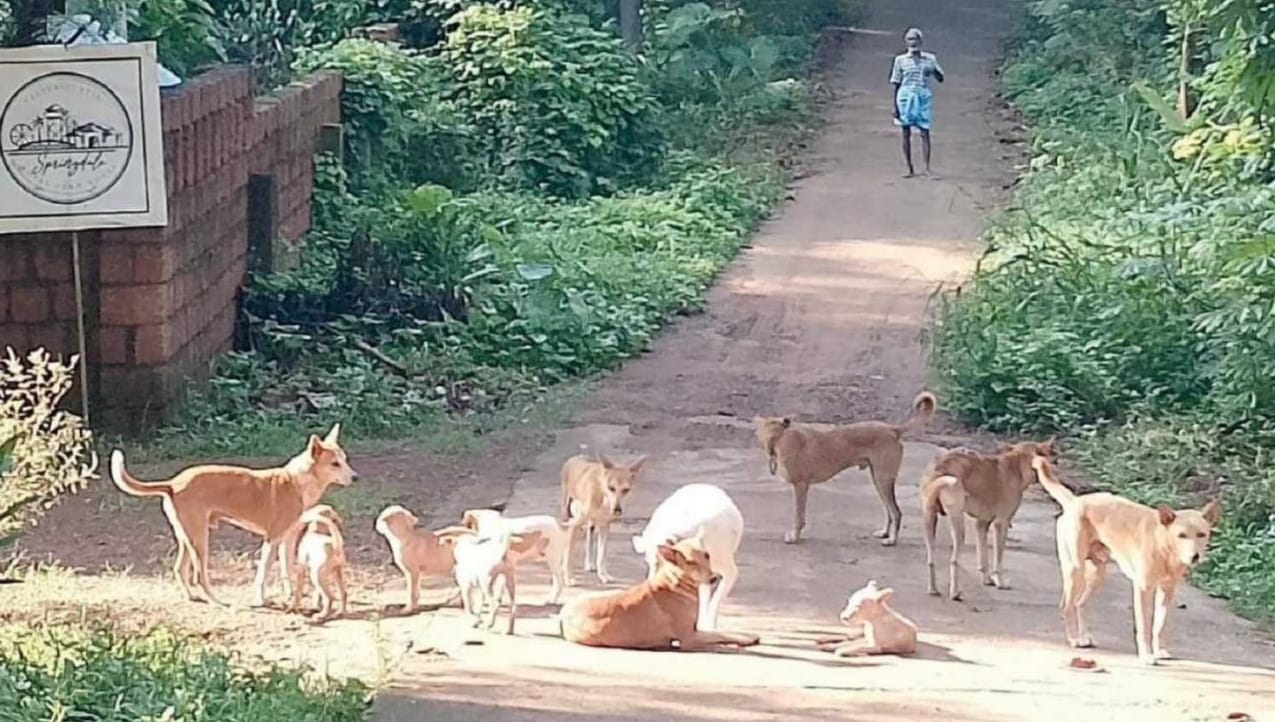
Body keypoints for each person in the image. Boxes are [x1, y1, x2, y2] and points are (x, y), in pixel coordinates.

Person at [890, 27, 944, 177]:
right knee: (905, 131)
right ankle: (909, 168)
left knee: (925, 131)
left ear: (920, 41)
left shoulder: (930, 59)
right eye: (910, 39)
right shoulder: (900, 60)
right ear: (906, 42)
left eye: (915, 39)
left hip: (922, 95)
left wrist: (933, 70)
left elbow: (940, 78)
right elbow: (896, 82)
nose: (913, 42)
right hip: (905, 96)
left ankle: (926, 167)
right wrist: (895, 106)